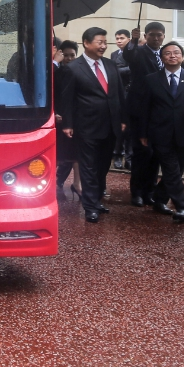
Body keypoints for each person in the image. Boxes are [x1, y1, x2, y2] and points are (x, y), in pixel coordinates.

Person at [61, 27, 127, 223]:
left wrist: (123, 119)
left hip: (111, 124)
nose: (104, 46)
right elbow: (67, 99)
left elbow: (119, 94)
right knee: (88, 166)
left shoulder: (111, 65)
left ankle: (96, 200)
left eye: (105, 43)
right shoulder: (73, 68)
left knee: (102, 165)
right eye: (100, 42)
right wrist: (68, 123)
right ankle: (90, 206)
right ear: (86, 43)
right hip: (86, 125)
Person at [139, 41, 184, 222]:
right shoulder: (152, 79)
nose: (172, 56)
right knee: (171, 170)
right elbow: (145, 108)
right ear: (162, 58)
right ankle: (182, 207)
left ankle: (160, 199)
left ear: (182, 56)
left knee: (176, 171)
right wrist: (143, 133)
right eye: (168, 53)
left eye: (176, 52)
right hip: (160, 133)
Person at [123, 21, 166, 207]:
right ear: (146, 36)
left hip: (159, 110)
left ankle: (150, 190)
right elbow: (128, 54)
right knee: (142, 152)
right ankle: (137, 192)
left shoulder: (166, 53)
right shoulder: (139, 51)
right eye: (152, 35)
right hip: (140, 110)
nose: (156, 38)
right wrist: (133, 39)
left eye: (159, 35)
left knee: (156, 153)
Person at [55, 41, 81, 199]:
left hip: (73, 119)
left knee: (75, 154)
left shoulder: (78, 71)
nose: (69, 58)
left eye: (72, 55)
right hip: (57, 118)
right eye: (66, 55)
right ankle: (55, 183)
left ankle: (77, 184)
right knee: (59, 155)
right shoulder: (55, 71)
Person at [111, 28, 132, 168]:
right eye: (117, 38)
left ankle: (129, 156)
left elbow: (133, 69)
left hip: (131, 92)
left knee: (130, 127)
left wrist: (117, 71)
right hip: (118, 93)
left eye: (122, 38)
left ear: (129, 39)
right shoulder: (114, 54)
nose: (119, 41)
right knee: (119, 126)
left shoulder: (133, 52)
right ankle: (117, 154)